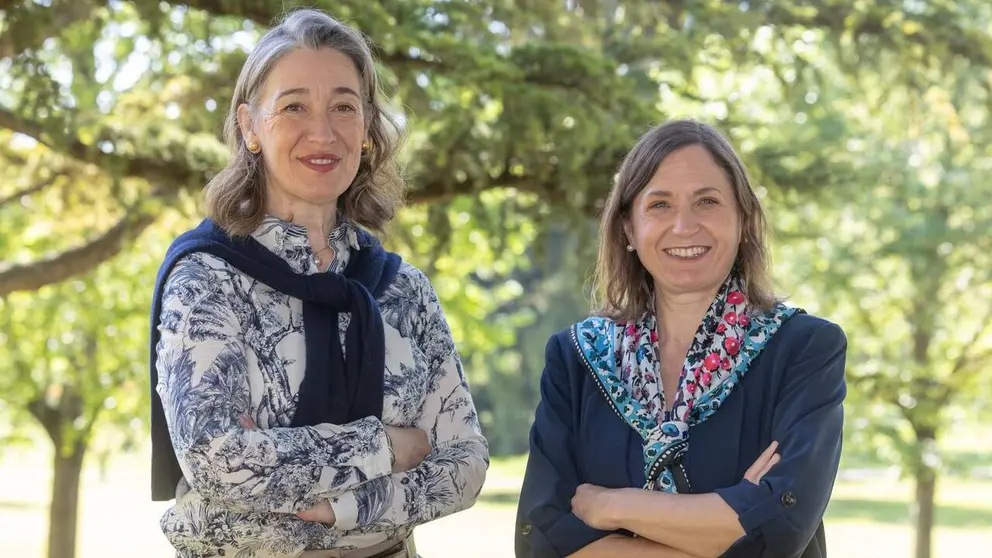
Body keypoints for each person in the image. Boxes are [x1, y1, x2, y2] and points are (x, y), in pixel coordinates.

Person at [148, 9, 488, 558]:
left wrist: (342, 506)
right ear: (249, 127)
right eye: (294, 106)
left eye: (344, 107)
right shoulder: (208, 279)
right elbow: (216, 460)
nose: (323, 132)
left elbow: (466, 463)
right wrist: (386, 447)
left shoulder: (402, 292)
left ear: (368, 128)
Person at [514, 120, 847, 558]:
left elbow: (779, 531)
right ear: (629, 230)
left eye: (707, 201)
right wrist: (722, 521)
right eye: (660, 205)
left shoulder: (804, 349)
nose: (684, 226)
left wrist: (613, 505)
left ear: (743, 220)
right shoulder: (577, 358)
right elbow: (540, 537)